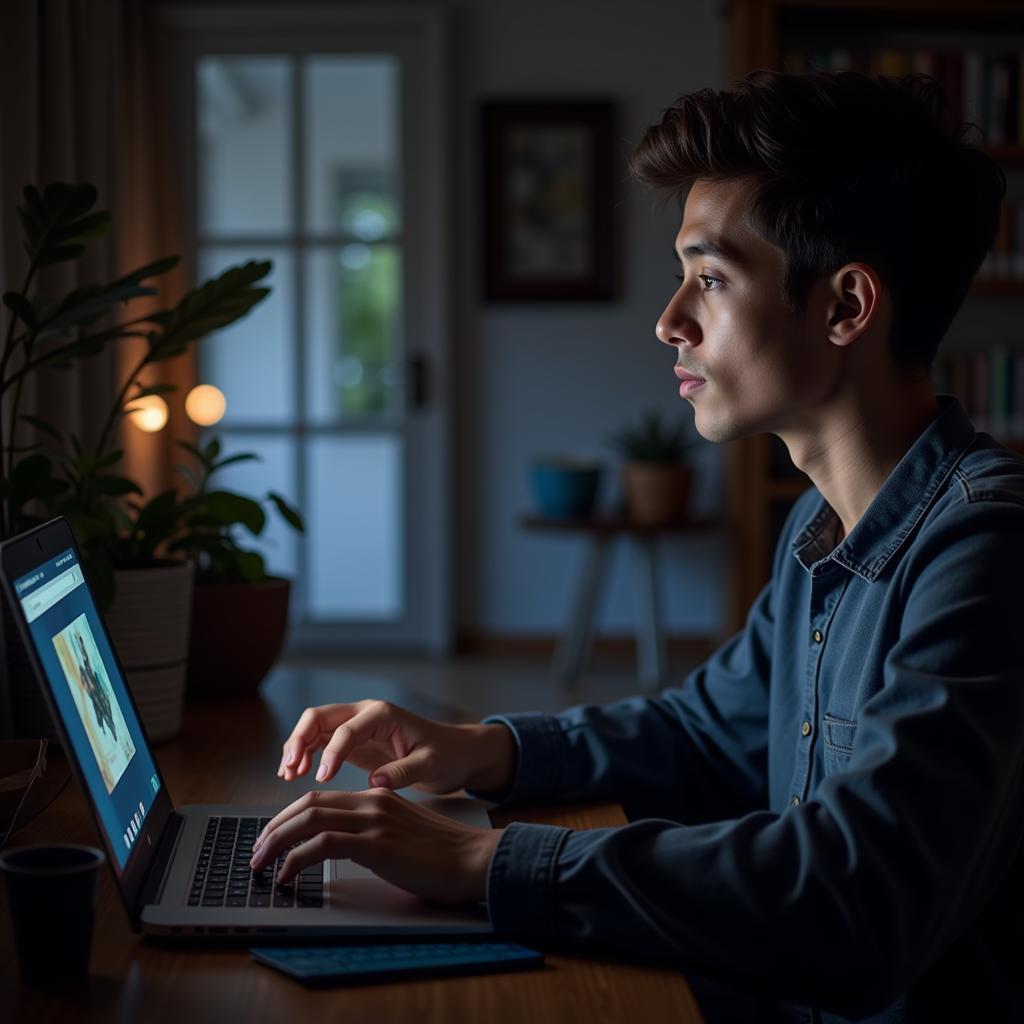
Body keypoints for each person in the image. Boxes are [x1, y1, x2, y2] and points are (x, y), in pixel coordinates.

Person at [249, 70, 1024, 1022]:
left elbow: (855, 902)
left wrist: (477, 859)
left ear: (846, 306)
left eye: (710, 277)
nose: (670, 321)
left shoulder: (985, 550)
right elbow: (705, 736)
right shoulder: (820, 529)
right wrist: (477, 748)